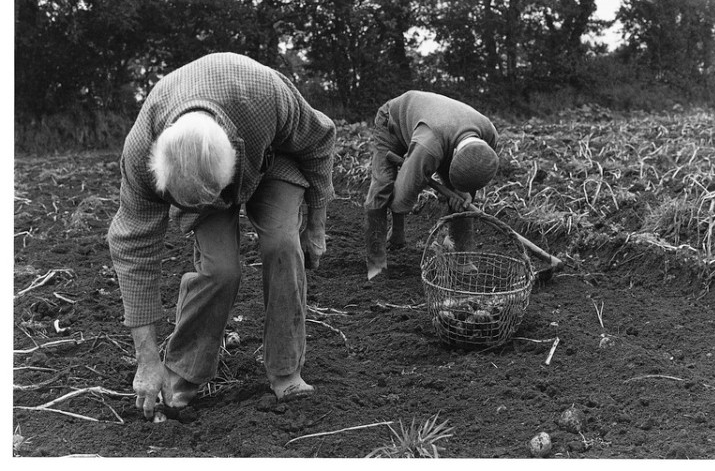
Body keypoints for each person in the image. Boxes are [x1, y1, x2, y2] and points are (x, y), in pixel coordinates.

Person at [107, 52, 336, 420]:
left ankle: (286, 372)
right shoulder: (141, 152)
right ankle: (180, 374)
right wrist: (146, 360)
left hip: (273, 157)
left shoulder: (266, 96)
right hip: (202, 172)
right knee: (220, 270)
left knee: (282, 245)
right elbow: (133, 248)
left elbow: (319, 139)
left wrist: (317, 223)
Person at [364, 90, 500, 279]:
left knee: (462, 201)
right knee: (382, 185)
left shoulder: (489, 135)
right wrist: (398, 230)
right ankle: (377, 261)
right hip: (393, 120)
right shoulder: (429, 146)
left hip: (440, 128)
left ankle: (460, 259)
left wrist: (464, 193)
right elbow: (405, 188)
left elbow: (474, 173)